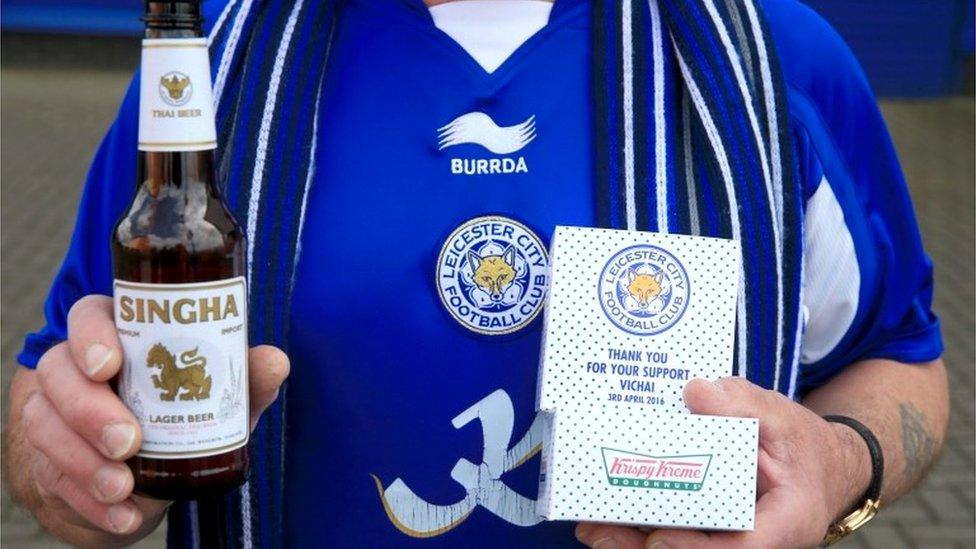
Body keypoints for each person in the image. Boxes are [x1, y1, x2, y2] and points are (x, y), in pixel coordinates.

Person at [5, 0, 948, 547]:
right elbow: (52, 397)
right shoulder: (205, 65)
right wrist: (78, 463)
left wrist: (839, 465)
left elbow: (904, 357)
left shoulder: (771, 56)